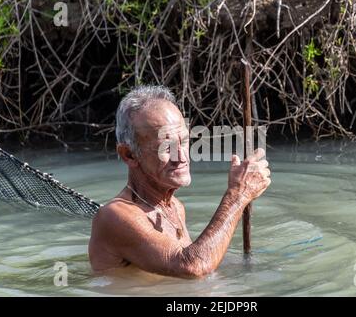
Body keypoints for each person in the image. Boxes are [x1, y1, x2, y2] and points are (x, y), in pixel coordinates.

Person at [88, 85, 271, 278]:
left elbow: (198, 260)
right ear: (129, 155)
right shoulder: (114, 216)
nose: (182, 157)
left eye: (183, 142)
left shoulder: (174, 207)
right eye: (166, 148)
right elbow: (193, 267)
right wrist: (238, 195)